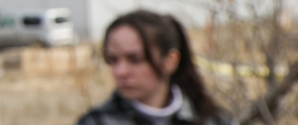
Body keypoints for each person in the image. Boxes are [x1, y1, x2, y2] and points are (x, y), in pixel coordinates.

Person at [77, 10, 232, 125]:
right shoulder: (96, 121)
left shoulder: (213, 120)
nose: (120, 72)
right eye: (113, 60)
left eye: (135, 59)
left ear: (170, 61)